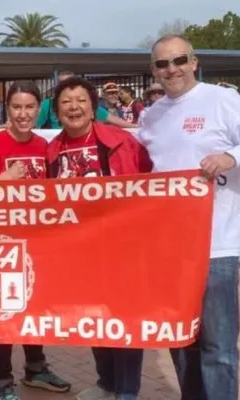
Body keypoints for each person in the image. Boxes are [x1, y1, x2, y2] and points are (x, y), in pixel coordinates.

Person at [137, 34, 240, 400]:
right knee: (181, 341)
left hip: (215, 246)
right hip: (171, 249)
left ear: (194, 62)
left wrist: (231, 157)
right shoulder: (151, 116)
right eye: (162, 63)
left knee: (218, 349)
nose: (172, 69)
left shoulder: (222, 100)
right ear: (153, 70)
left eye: (179, 60)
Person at [45, 76, 152, 400]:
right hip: (79, 251)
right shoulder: (52, 150)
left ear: (94, 108)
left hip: (122, 247)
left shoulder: (123, 141)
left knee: (126, 320)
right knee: (94, 318)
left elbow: (150, 181)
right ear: (57, 111)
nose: (74, 107)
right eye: (66, 102)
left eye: (81, 100)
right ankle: (106, 382)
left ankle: (127, 390)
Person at [0, 80, 71, 400]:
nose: (23, 114)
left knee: (34, 309)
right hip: (0, 246)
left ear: (38, 109)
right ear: (7, 110)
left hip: (37, 244)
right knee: (1, 314)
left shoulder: (45, 146)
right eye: (16, 107)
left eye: (29, 107)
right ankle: (3, 382)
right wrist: (5, 179)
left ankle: (36, 369)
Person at [36, 71, 137, 129]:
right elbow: (32, 125)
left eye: (71, 83)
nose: (66, 86)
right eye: (62, 83)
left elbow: (113, 119)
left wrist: (137, 128)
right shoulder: (48, 104)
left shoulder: (87, 104)